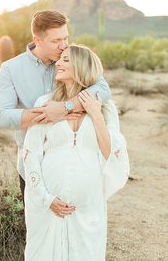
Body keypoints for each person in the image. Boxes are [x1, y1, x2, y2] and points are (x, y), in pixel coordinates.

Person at [23, 44, 129, 261]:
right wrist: (46, 198)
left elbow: (111, 154)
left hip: (88, 206)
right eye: (59, 59)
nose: (58, 63)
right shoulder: (45, 103)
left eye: (65, 60)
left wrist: (95, 115)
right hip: (48, 205)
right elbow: (30, 154)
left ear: (82, 66)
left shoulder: (106, 107)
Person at [0, 10, 111, 200]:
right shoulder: (10, 69)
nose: (63, 45)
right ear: (37, 40)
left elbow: (103, 89)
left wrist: (65, 107)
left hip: (75, 165)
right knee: (38, 226)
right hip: (34, 164)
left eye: (65, 38)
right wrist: (47, 115)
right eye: (56, 41)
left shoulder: (72, 57)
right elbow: (1, 117)